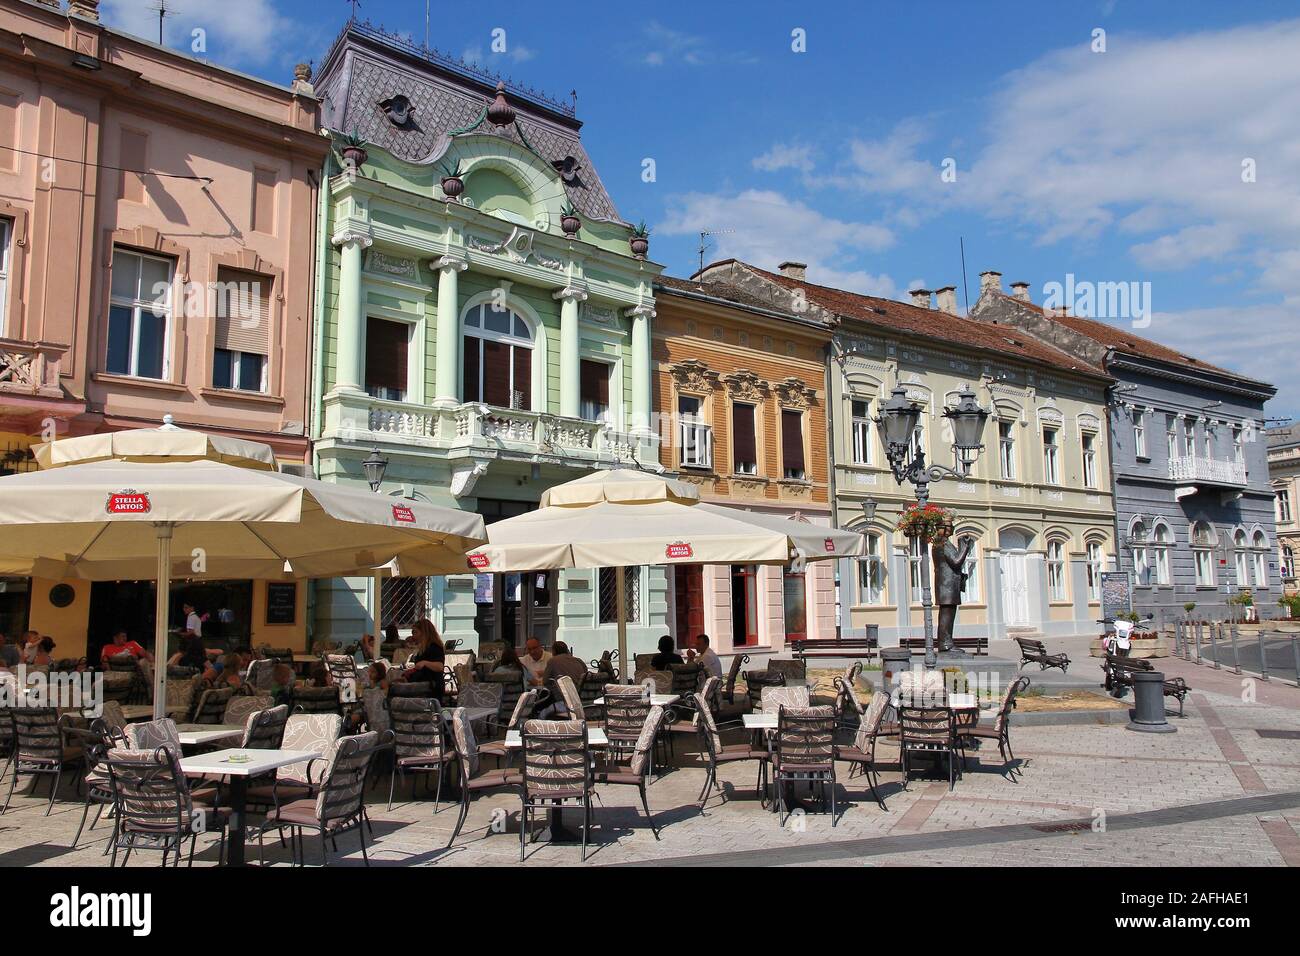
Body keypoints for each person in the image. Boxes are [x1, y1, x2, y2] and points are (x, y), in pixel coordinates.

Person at [932, 521, 973, 654]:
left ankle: (946, 643)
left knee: (946, 615)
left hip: (946, 584)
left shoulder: (938, 543)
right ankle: (946, 644)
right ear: (941, 528)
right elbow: (956, 562)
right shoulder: (944, 544)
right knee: (947, 616)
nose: (951, 529)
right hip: (948, 585)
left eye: (952, 527)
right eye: (949, 527)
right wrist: (965, 547)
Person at [401, 618, 446, 698]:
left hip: (432, 688)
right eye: (412, 633)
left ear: (424, 633)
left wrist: (425, 663)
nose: (413, 636)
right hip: (424, 686)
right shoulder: (423, 648)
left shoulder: (434, 647)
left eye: (415, 632)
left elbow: (439, 666)